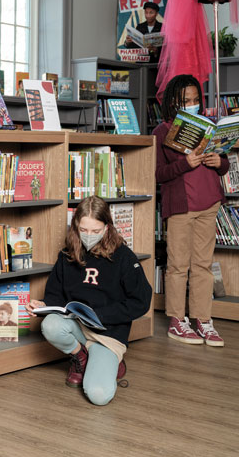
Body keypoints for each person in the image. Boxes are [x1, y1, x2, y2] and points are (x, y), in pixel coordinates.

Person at [26, 196, 152, 406]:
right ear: (76, 227)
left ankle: (108, 362)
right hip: (77, 326)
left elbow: (140, 302)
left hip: (108, 334)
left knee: (99, 396)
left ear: (107, 227)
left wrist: (101, 315)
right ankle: (81, 356)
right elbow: (55, 296)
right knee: (50, 325)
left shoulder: (124, 257)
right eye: (83, 230)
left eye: (95, 231)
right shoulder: (67, 255)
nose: (89, 236)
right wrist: (42, 305)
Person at [153, 74, 228, 346]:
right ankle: (176, 320)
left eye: (196, 99)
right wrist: (187, 163)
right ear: (174, 102)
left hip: (209, 203)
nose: (193, 104)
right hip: (181, 207)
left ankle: (203, 321)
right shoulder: (162, 132)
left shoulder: (209, 125)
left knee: (203, 265)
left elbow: (225, 166)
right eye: (186, 101)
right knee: (178, 266)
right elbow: (159, 174)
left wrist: (217, 160)